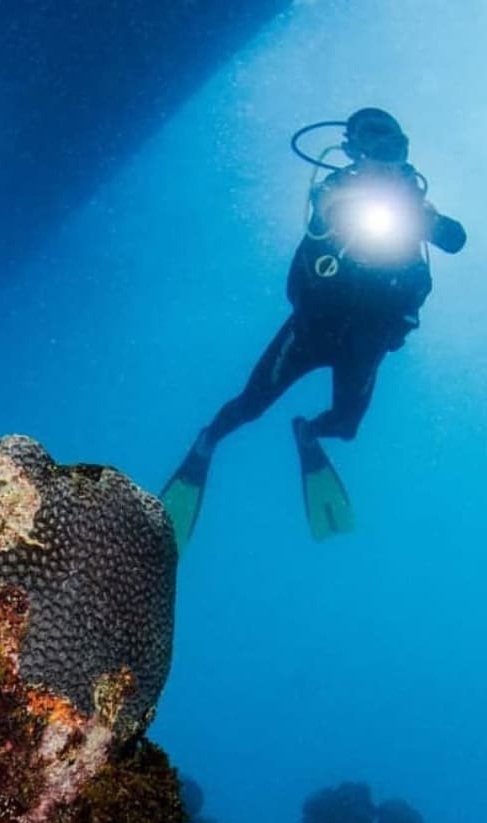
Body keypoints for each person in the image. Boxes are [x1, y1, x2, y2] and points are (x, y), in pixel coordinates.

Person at [161, 108, 466, 552]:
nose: (387, 159)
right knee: (251, 405)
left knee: (345, 427)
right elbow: (323, 216)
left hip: (367, 338)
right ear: (354, 152)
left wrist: (430, 222)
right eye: (376, 150)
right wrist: (344, 212)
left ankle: (308, 433)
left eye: (395, 149)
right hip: (314, 327)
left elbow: (456, 241)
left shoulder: (415, 203)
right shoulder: (335, 191)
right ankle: (207, 442)